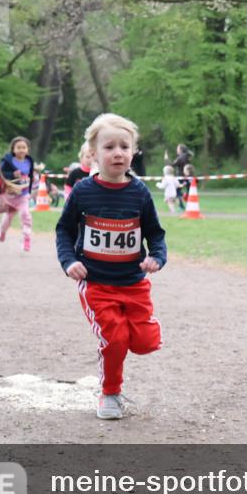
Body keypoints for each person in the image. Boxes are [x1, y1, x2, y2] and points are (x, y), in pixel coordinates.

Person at [55, 113, 167, 420]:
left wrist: (156, 256)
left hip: (133, 282)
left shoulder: (139, 192)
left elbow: (156, 233)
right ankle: (110, 394)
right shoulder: (82, 191)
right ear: (93, 154)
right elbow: (64, 230)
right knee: (115, 339)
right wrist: (69, 261)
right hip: (96, 283)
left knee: (144, 344)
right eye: (109, 147)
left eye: (124, 146)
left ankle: (143, 332)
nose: (117, 153)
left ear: (133, 152)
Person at [0, 136, 35, 252]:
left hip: (23, 195)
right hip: (10, 195)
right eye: (18, 147)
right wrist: (13, 174)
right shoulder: (8, 161)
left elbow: (30, 176)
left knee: (25, 214)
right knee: (7, 220)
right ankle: (2, 231)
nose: (21, 150)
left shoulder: (29, 161)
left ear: (27, 149)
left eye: (24, 147)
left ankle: (27, 237)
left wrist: (30, 190)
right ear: (13, 149)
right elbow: (0, 173)